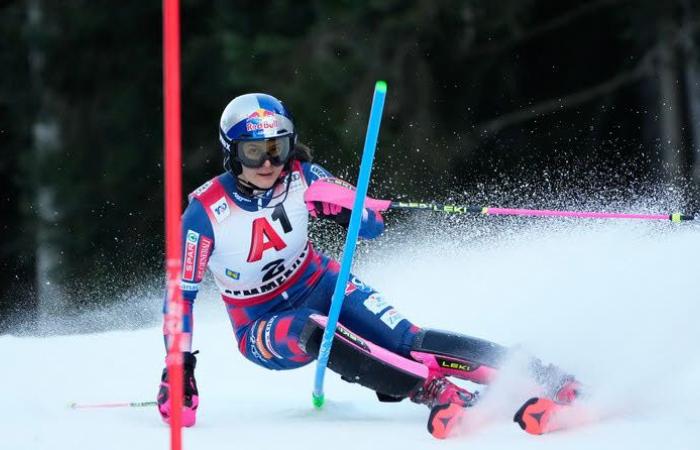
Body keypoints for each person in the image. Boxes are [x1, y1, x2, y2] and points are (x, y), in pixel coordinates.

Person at [156, 93, 580, 438]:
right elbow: (180, 297)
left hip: (320, 280)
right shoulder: (204, 213)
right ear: (231, 153)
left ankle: (539, 375)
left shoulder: (304, 175)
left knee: (407, 339)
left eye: (277, 149)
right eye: (253, 152)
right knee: (313, 330)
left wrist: (345, 211)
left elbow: (373, 226)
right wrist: (179, 367)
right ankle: (432, 389)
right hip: (261, 322)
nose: (268, 163)